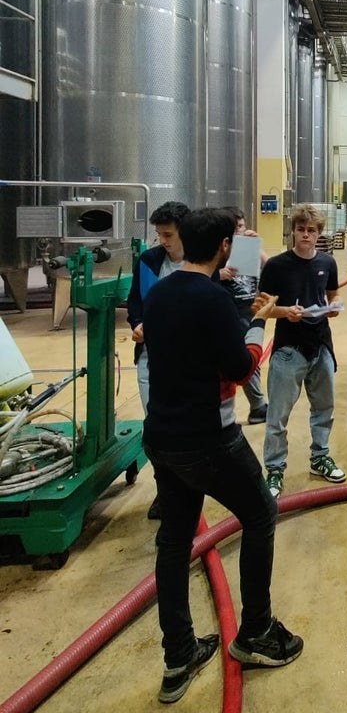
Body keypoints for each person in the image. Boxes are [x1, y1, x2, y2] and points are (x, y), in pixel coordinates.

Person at [141, 207, 303, 704]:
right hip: (207, 439)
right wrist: (257, 325)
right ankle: (255, 632)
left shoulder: (160, 292)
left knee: (174, 543)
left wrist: (242, 318)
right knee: (261, 514)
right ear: (224, 247)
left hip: (162, 437)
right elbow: (238, 369)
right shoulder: (211, 298)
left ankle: (179, 656)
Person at [259, 204, 345, 496]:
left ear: (319, 233)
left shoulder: (327, 262)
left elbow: (333, 292)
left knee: (324, 407)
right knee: (278, 415)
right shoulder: (276, 266)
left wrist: (334, 305)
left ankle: (320, 457)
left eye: (311, 230)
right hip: (289, 349)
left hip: (321, 344)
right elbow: (261, 307)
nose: (305, 235)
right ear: (293, 232)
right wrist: (285, 312)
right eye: (300, 229)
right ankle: (274, 469)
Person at [126, 200, 190, 521]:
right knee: (156, 426)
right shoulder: (149, 261)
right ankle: (166, 491)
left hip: (188, 361)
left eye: (168, 235)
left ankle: (188, 490)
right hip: (151, 357)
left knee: (186, 428)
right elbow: (134, 302)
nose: (162, 241)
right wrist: (137, 324)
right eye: (159, 234)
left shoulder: (201, 263)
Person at [220, 206, 270, 424]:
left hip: (249, 308)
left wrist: (258, 247)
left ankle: (258, 406)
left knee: (250, 357)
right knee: (245, 358)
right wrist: (218, 274)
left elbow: (273, 267)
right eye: (234, 229)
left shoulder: (250, 249)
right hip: (229, 310)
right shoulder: (218, 251)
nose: (239, 232)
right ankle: (257, 406)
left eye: (241, 226)